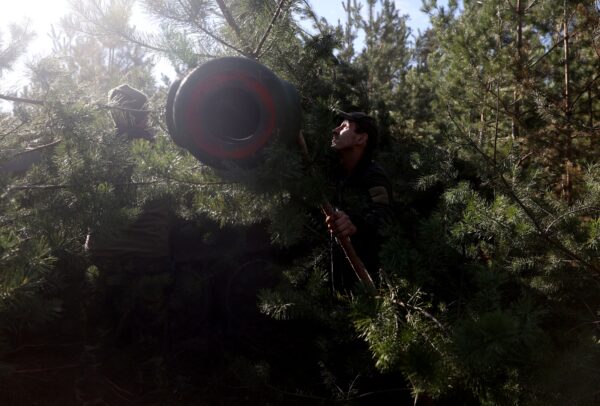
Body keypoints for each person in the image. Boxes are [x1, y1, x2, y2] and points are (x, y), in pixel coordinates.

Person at [324, 111, 393, 291]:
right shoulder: (336, 173)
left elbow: (382, 216)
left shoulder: (374, 176)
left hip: (367, 282)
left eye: (345, 127)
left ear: (361, 139)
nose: (335, 130)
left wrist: (355, 224)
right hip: (337, 278)